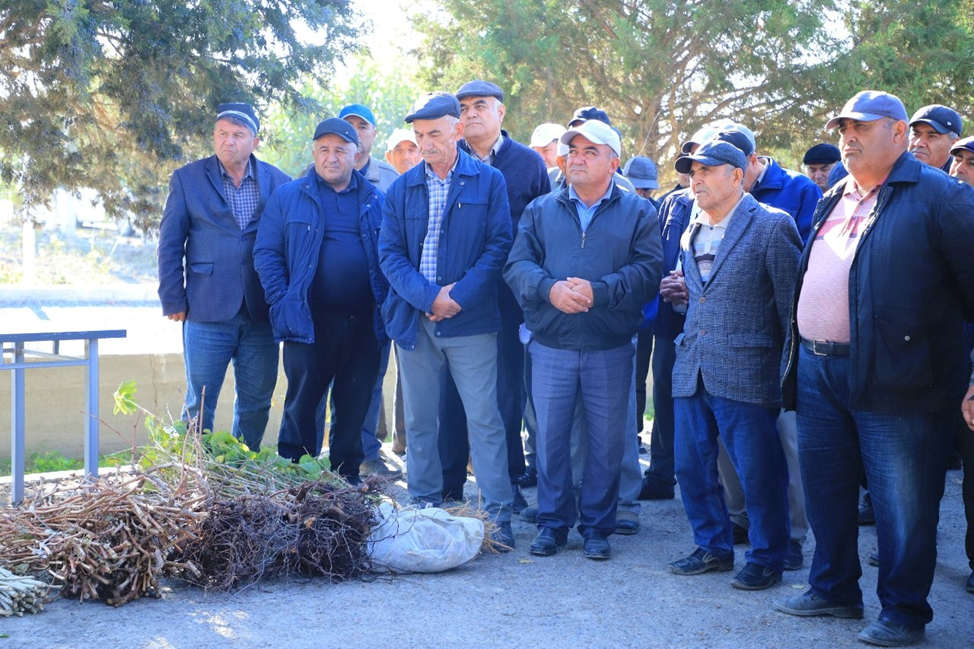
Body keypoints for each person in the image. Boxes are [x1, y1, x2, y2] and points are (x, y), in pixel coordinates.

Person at [774, 90, 974, 647]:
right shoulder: (834, 194)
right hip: (819, 370)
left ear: (898, 133)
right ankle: (833, 587)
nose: (848, 137)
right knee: (827, 489)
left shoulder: (942, 196)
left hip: (902, 376)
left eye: (861, 127)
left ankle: (904, 611)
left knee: (902, 501)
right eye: (843, 128)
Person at [504, 118, 662, 560]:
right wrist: (550, 289)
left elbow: (648, 271)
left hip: (609, 346)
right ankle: (553, 523)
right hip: (551, 345)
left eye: (590, 151)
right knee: (550, 439)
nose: (577, 158)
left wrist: (600, 292)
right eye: (573, 151)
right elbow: (517, 266)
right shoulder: (541, 209)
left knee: (606, 443)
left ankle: (597, 526)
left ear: (613, 163)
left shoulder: (639, 213)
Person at [378, 92, 516, 549]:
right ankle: (423, 509)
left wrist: (455, 297)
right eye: (419, 136)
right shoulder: (401, 188)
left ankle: (498, 517)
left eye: (434, 133)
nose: (425, 144)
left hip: (470, 322)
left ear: (458, 130)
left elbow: (499, 247)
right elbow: (389, 254)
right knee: (420, 422)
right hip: (415, 320)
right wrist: (428, 296)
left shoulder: (489, 181)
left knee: (485, 420)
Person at [666, 140, 800, 591]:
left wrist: (789, 376)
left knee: (759, 472)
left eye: (706, 170)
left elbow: (791, 309)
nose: (696, 179)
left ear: (737, 175)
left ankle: (767, 557)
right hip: (692, 366)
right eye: (692, 172)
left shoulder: (772, 225)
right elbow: (702, 298)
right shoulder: (692, 227)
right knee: (691, 467)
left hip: (749, 369)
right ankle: (712, 547)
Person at [437, 80, 551, 509]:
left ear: (500, 113)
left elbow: (544, 229)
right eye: (464, 107)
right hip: (456, 294)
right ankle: (449, 485)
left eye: (480, 106)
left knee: (506, 392)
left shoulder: (528, 163)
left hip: (508, 296)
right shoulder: (449, 158)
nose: (470, 114)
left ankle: (507, 483)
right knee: (451, 391)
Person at [253, 118, 387, 482]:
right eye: (324, 149)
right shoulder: (288, 196)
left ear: (356, 154)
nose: (332, 157)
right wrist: (282, 300)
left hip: (365, 322)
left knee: (355, 402)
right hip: (308, 318)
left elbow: (392, 255)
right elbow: (266, 252)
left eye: (340, 150)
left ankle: (347, 477)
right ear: (313, 153)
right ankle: (296, 476)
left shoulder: (377, 200)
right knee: (302, 402)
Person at [157, 102, 290, 450]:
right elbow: (170, 243)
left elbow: (290, 246)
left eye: (238, 135)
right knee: (199, 403)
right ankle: (193, 469)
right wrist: (173, 298)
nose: (228, 141)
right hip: (206, 307)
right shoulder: (187, 179)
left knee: (256, 403)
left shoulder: (280, 182)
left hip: (262, 311)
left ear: (254, 142)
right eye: (222, 133)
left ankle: (241, 469)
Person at [949, 135, 974, 596]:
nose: (959, 169)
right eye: (958, 161)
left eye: (972, 163)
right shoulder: (949, 218)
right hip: (938, 368)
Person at [339, 104, 399, 191]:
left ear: (374, 134)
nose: (355, 133)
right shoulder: (322, 173)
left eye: (362, 127)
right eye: (349, 127)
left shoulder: (392, 179)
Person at [908, 104, 963, 172]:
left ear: (954, 144)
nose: (919, 143)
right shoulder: (895, 167)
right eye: (915, 134)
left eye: (932, 136)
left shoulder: (960, 176)